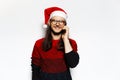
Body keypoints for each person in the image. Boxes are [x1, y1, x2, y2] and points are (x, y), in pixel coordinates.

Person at [31, 6, 80, 80]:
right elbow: (35, 68)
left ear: (65, 25)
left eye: (61, 21)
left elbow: (73, 64)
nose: (57, 24)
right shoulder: (39, 43)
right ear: (49, 23)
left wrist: (65, 39)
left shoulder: (71, 43)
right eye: (54, 20)